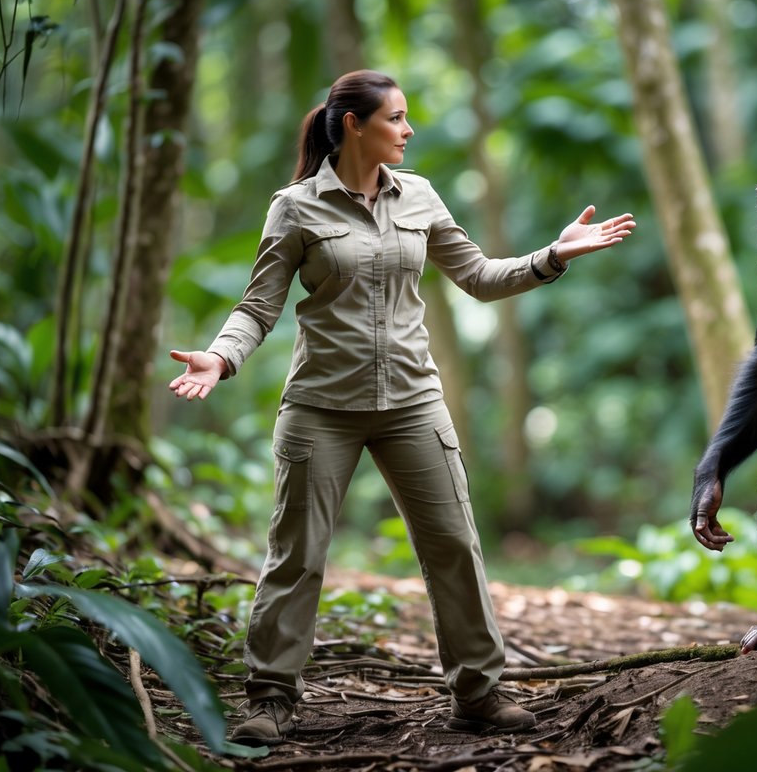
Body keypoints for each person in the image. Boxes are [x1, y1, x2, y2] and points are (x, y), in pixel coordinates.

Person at [168, 69, 635, 745]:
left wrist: (552, 256)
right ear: (353, 125)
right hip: (321, 406)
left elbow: (477, 276)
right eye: (396, 119)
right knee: (296, 554)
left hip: (413, 403)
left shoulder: (418, 196)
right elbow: (258, 305)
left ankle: (477, 693)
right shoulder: (296, 207)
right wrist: (221, 356)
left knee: (453, 545)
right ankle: (270, 698)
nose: (409, 130)